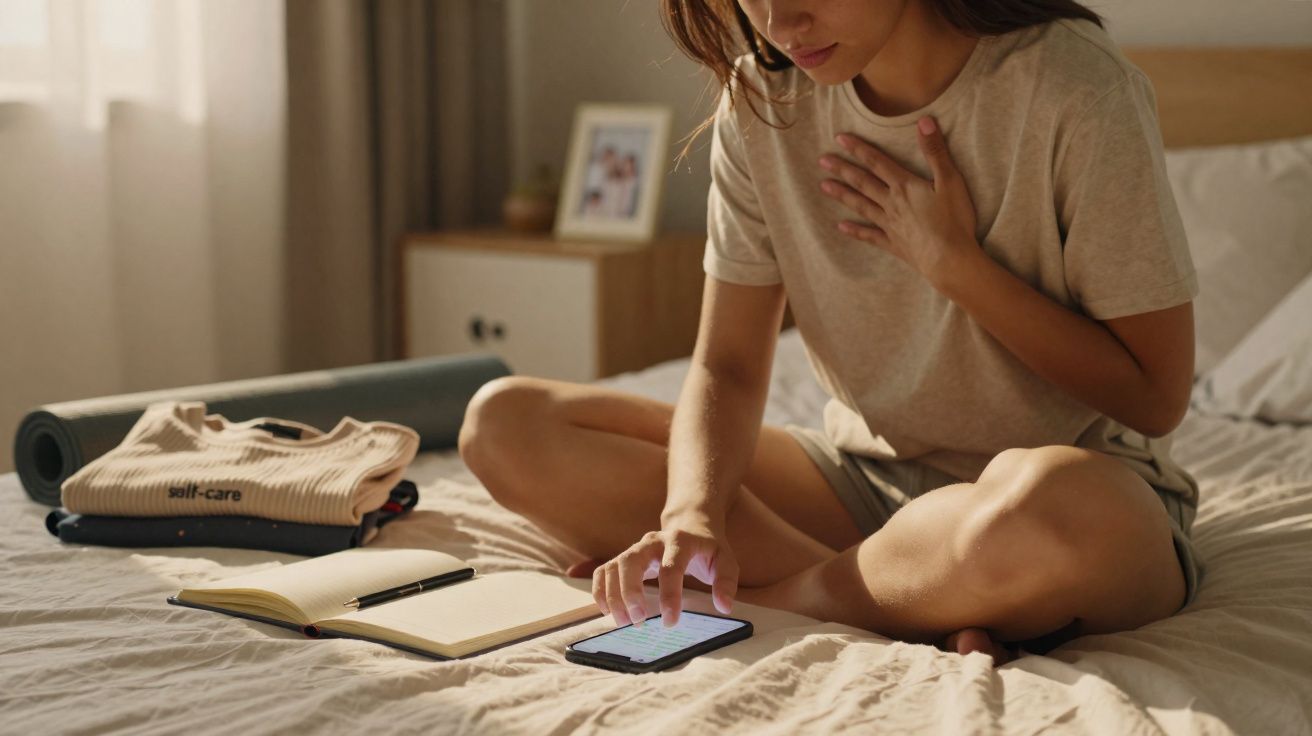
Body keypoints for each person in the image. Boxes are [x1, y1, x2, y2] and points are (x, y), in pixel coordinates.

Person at [459, 0, 1202, 665]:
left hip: (1070, 492)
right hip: (862, 480)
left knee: (1044, 511)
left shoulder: (1076, 86)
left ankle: (788, 596)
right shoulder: (763, 101)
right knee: (506, 424)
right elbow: (727, 366)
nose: (781, 25)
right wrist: (692, 514)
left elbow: (1155, 396)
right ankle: (915, 593)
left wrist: (956, 268)